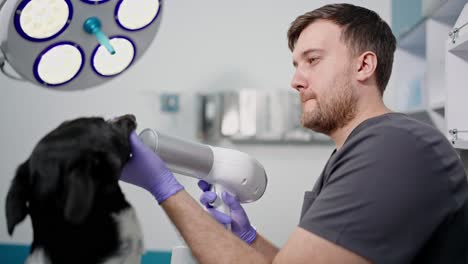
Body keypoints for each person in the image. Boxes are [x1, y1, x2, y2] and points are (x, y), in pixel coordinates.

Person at [120, 3, 468, 263]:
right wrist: (248, 238)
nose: (295, 80)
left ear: (364, 65)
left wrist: (164, 188)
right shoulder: (357, 151)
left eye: (312, 60)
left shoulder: (394, 147)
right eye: (295, 64)